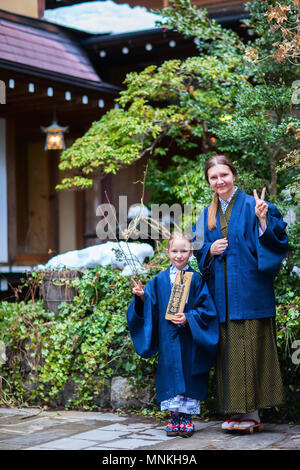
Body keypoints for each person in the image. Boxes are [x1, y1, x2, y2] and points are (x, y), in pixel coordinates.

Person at [192, 154, 288, 433]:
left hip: (249, 292)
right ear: (209, 181)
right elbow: (197, 248)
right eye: (213, 177)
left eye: (224, 175)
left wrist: (262, 221)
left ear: (233, 175)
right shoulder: (206, 214)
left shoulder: (253, 204)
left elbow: (279, 239)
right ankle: (235, 413)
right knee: (229, 352)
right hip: (221, 296)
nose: (219, 181)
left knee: (252, 348)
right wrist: (208, 251)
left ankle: (253, 414)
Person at [127, 232, 219, 437]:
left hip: (189, 338)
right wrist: (142, 298)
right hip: (168, 338)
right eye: (175, 251)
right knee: (170, 374)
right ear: (167, 252)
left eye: (184, 251)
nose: (179, 255)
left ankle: (187, 418)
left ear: (190, 252)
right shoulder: (158, 281)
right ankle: (174, 417)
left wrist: (189, 317)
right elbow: (149, 307)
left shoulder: (196, 280)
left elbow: (207, 310)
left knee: (189, 372)